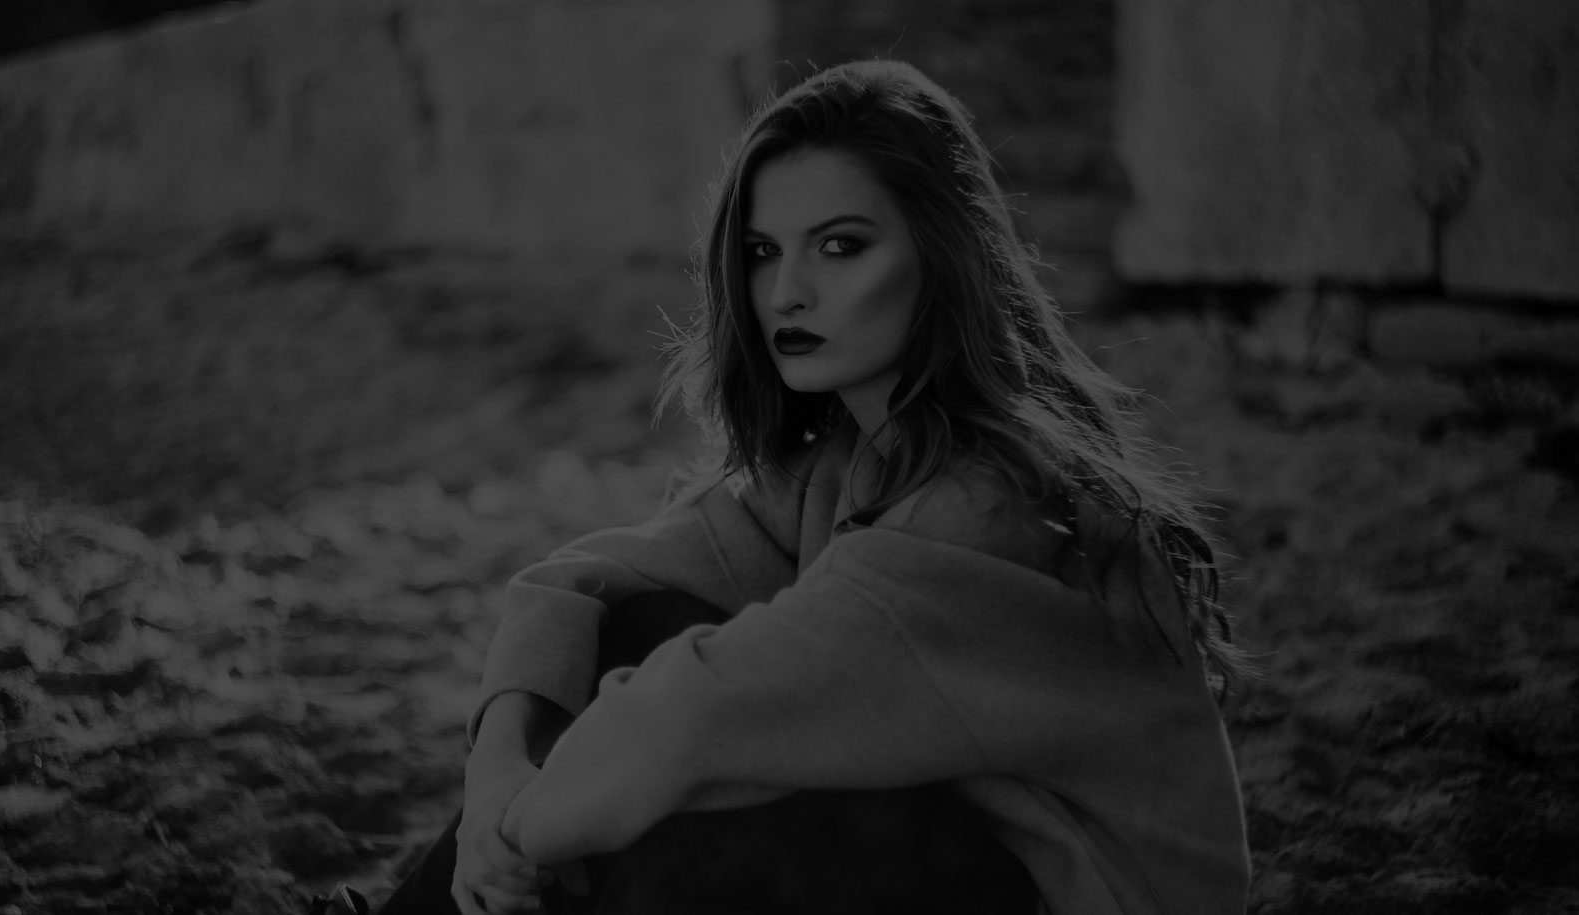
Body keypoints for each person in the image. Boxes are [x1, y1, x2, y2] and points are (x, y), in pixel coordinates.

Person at [347, 58, 1251, 915]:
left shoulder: (993, 501)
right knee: (640, 627)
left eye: (841, 246)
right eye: (763, 250)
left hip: (1066, 895)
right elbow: (577, 582)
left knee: (695, 821)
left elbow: (701, 714)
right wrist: (496, 771)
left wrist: (516, 837)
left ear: (943, 254)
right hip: (955, 859)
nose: (786, 292)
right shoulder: (849, 461)